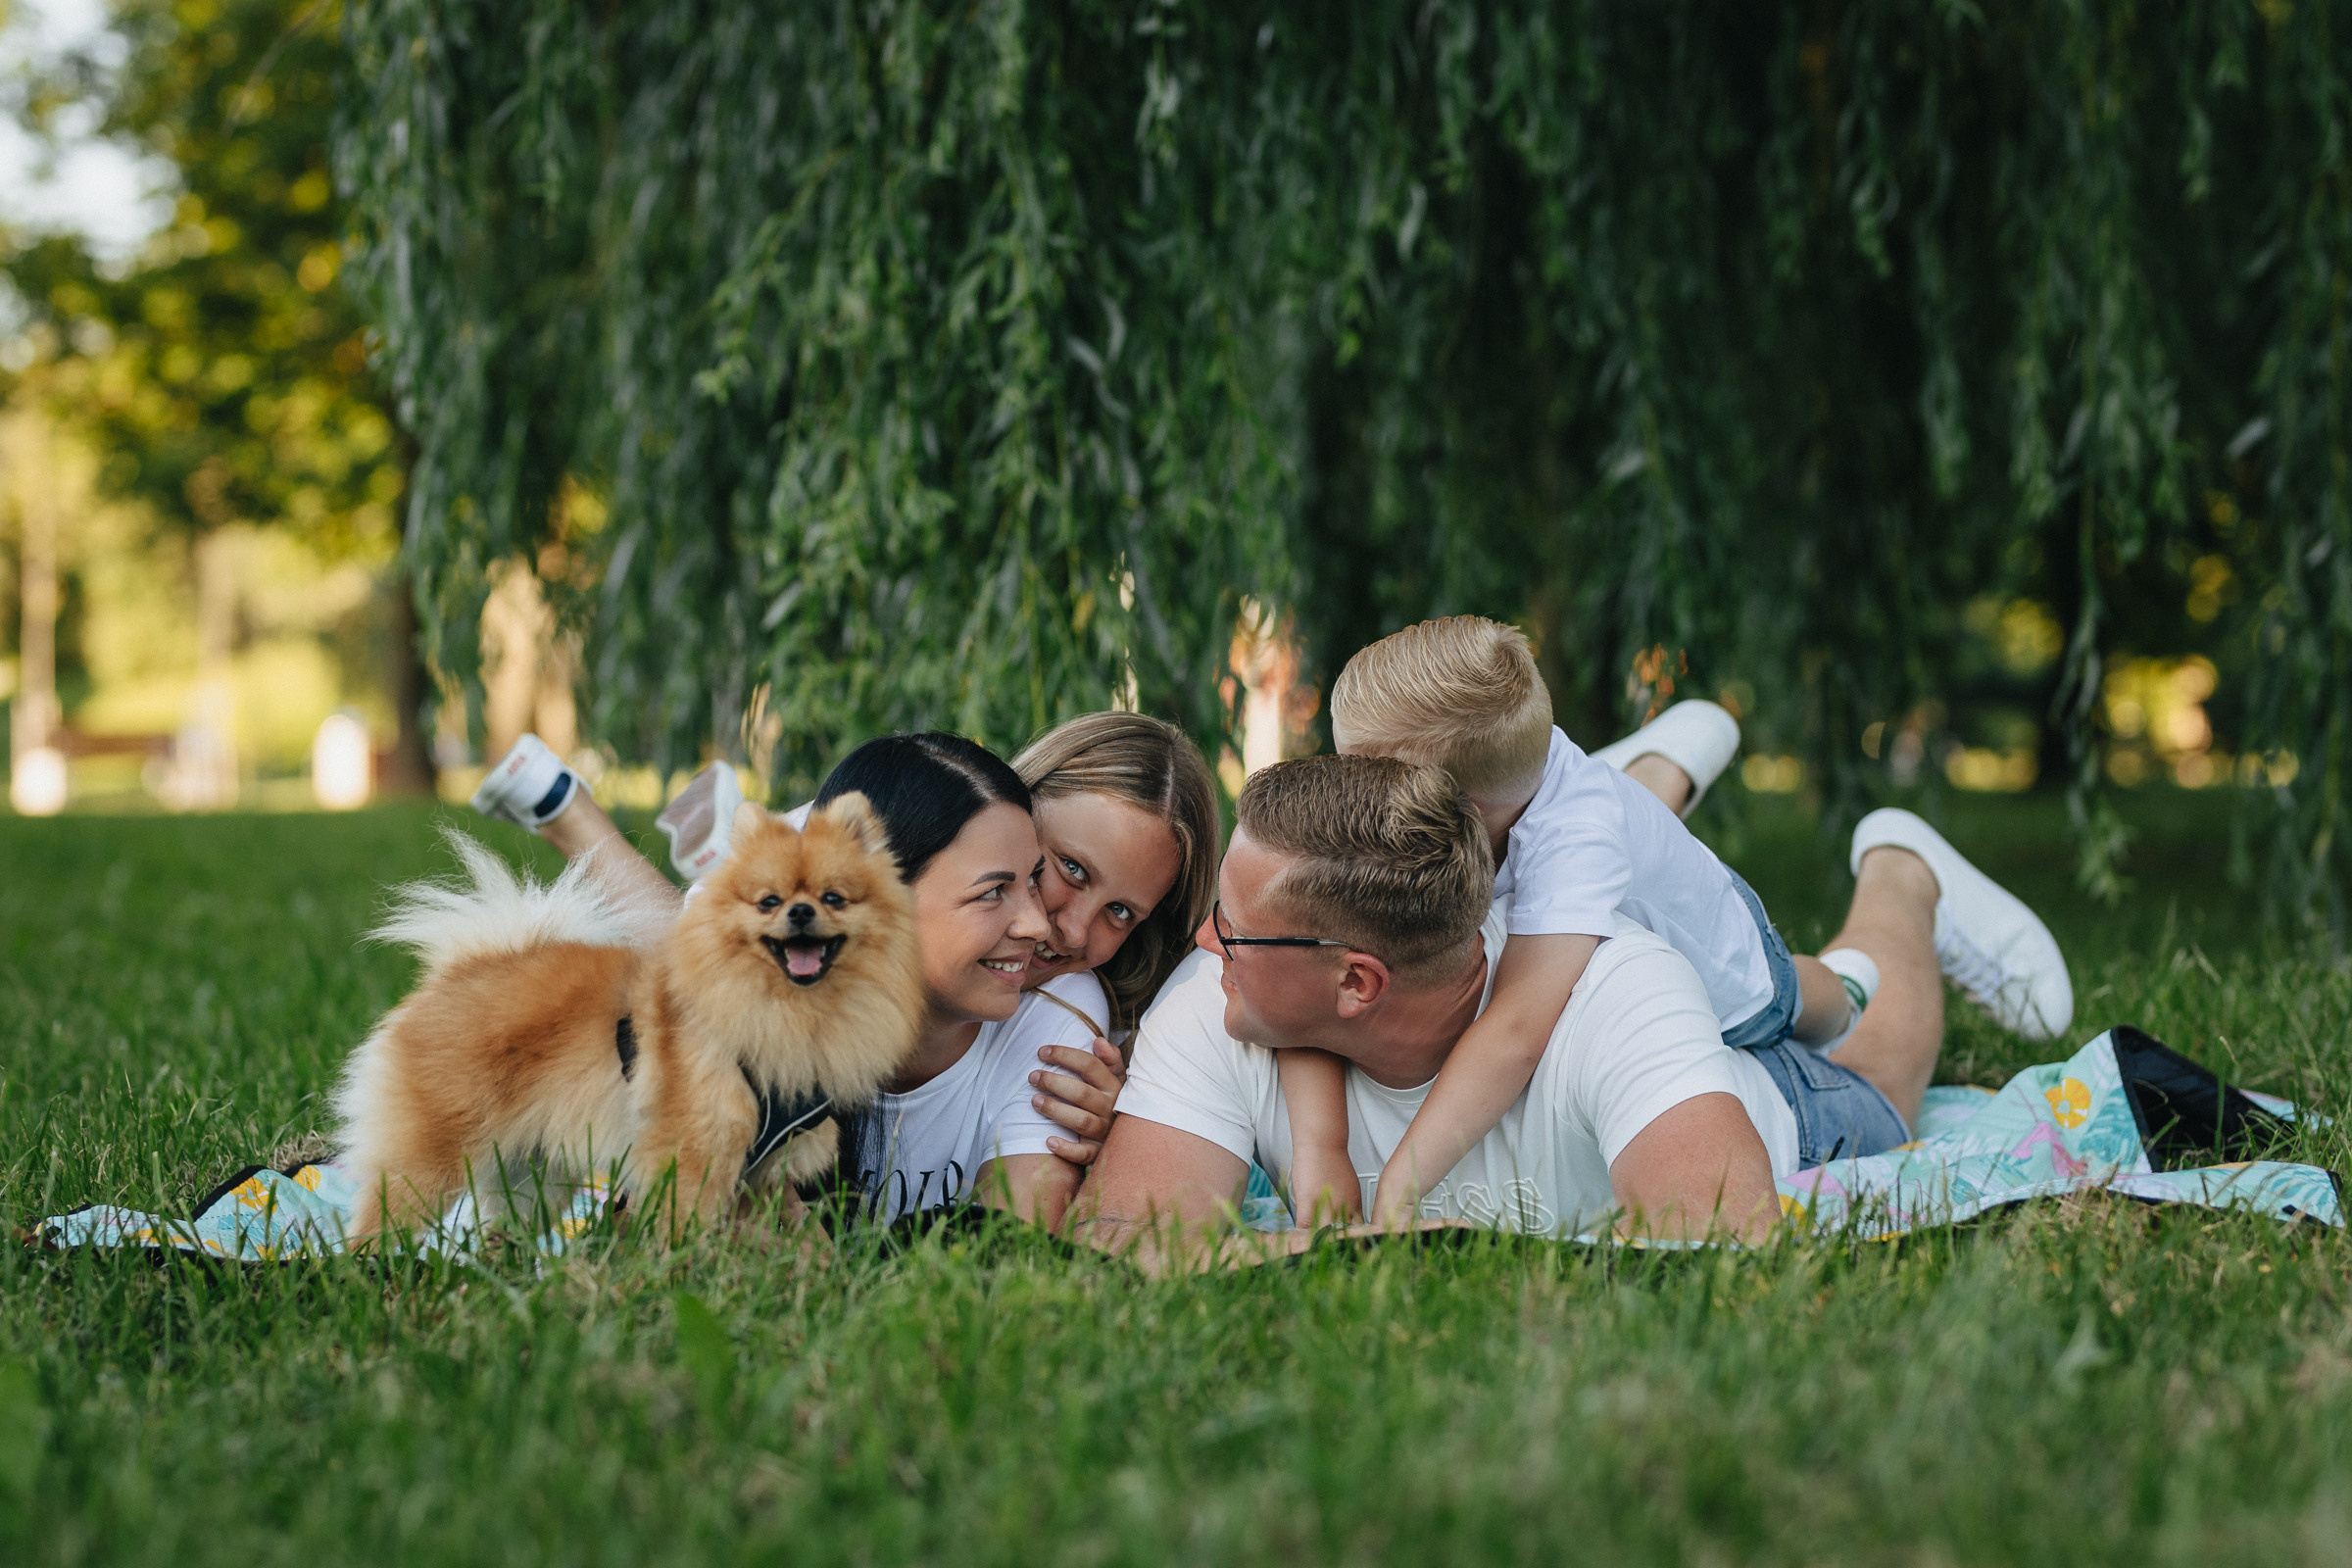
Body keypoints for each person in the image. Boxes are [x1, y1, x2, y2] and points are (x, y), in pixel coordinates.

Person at [1074, 753, 2072, 1270]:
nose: (1202, 944)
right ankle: (1630, 786)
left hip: (1776, 1096)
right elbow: (1118, 1243)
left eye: (1232, 929)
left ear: (1355, 984)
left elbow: (1723, 1248)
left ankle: (1903, 872)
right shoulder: (1228, 996)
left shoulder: (1618, 994)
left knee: (1885, 1069)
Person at [1275, 617, 2072, 1229]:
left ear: (1473, 809)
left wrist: (1400, 1192)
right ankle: (1656, 771)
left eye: (1367, 778)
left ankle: (1901, 878)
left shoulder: (1575, 845)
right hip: (1601, 845)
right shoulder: (1508, 796)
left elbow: (1518, 1026)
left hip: (1732, 977)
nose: (1353, 795)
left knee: (1816, 1011)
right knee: (1606, 824)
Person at [468, 715, 1220, 1227]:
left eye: (1122, 913)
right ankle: (571, 811)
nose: (1068, 926)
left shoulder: (1070, 1009)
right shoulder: (858, 852)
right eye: (1064, 870)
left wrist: (1125, 1122)